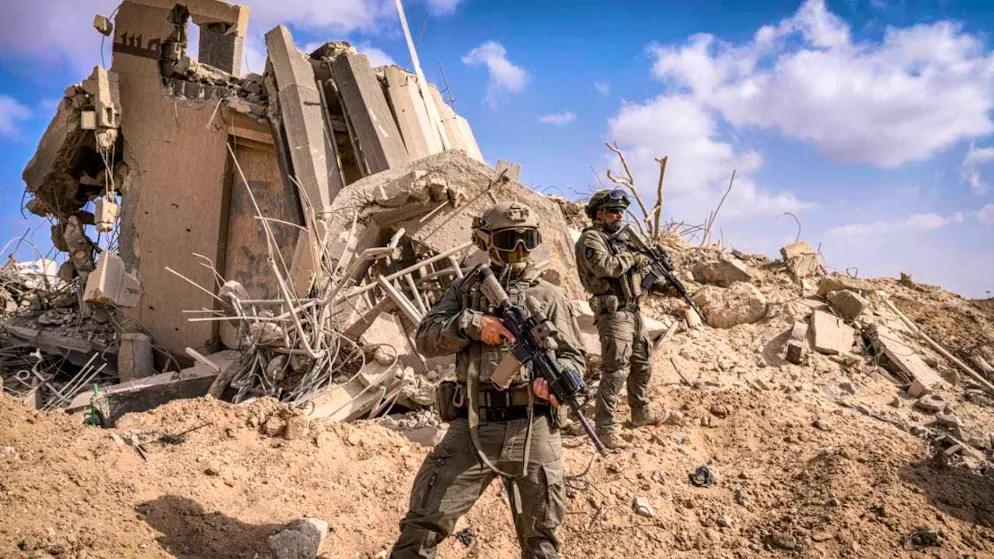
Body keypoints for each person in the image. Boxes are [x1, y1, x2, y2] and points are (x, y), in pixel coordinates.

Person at [391, 201, 586, 559]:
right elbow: (425, 338)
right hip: (474, 425)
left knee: (542, 543)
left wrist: (563, 381)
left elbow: (575, 356)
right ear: (486, 241)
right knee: (421, 530)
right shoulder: (465, 291)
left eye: (529, 239)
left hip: (535, 426)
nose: (521, 249)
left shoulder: (550, 296)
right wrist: (471, 324)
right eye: (510, 239)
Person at [574, 189, 678, 450]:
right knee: (615, 370)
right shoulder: (591, 239)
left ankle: (640, 412)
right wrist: (636, 257)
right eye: (613, 210)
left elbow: (640, 281)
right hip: (613, 313)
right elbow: (605, 267)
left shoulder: (623, 243)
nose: (619, 215)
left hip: (633, 311)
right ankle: (605, 428)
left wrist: (666, 287)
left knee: (643, 363)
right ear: (599, 214)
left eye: (621, 211)